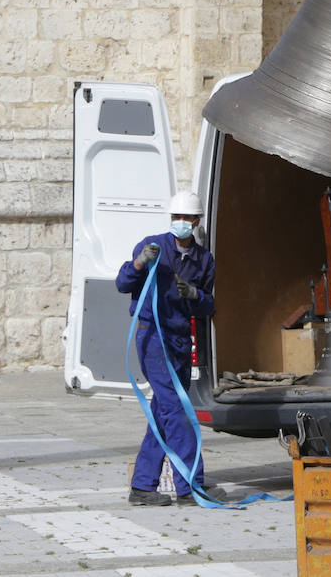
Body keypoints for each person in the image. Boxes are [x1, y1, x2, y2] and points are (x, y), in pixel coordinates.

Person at [116, 189, 225, 506]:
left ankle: (142, 486)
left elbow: (208, 305)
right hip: (152, 338)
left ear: (196, 221)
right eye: (175, 217)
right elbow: (122, 284)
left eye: (186, 218)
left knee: (164, 413)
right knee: (177, 411)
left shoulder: (204, 260)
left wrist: (194, 295)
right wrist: (138, 263)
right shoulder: (153, 247)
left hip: (179, 340)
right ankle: (191, 486)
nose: (180, 223)